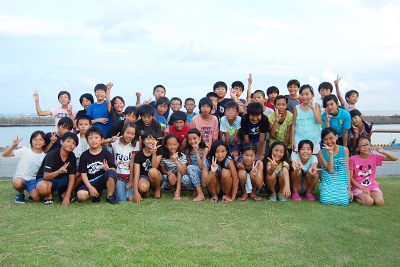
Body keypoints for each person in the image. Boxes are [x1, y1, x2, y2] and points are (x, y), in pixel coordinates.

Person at [350, 136, 398, 206]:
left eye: (367, 144)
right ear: (358, 148)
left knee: (380, 202)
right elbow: (351, 178)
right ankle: (356, 197)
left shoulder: (374, 157)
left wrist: (383, 151)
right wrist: (363, 188)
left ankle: (368, 196)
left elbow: (395, 158)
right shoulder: (353, 159)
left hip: (372, 186)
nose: (365, 147)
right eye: (362, 146)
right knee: (369, 202)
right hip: (358, 187)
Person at [76, 127, 119, 204]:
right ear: (87, 141)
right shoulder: (84, 155)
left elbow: (113, 169)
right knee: (81, 195)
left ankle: (110, 196)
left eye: (96, 137)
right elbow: (83, 173)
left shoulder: (106, 153)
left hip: (103, 180)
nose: (93, 140)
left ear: (102, 140)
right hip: (91, 181)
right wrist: (90, 187)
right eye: (90, 138)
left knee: (111, 172)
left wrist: (108, 169)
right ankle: (96, 193)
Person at [2, 131, 46, 203]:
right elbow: (4, 154)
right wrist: (13, 145)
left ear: (44, 143)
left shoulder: (44, 156)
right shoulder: (25, 150)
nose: (37, 142)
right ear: (31, 141)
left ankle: (31, 193)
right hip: (21, 177)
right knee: (17, 183)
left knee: (37, 198)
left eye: (40, 139)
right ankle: (20, 193)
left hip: (33, 180)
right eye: (35, 139)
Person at [36, 132, 78, 205]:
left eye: (73, 143)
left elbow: (72, 177)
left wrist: (67, 197)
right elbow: (46, 176)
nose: (71, 144)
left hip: (61, 179)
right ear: (61, 142)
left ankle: (64, 194)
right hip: (47, 180)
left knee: (79, 174)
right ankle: (48, 195)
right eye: (68, 141)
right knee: (42, 187)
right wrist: (59, 171)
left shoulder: (72, 156)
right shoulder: (52, 154)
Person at [318, 127, 352, 206]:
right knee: (325, 199)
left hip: (341, 182)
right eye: (326, 139)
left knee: (344, 201)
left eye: (331, 138)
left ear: (336, 137)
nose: (329, 142)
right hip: (328, 181)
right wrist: (331, 154)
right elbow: (330, 170)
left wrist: (349, 189)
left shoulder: (344, 150)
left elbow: (347, 170)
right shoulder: (321, 152)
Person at [132, 130, 163, 202]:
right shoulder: (139, 154)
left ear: (156, 141)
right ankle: (147, 191)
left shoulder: (159, 150)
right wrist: (136, 192)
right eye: (148, 139)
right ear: (143, 141)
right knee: (142, 187)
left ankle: (157, 189)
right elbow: (136, 174)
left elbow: (154, 167)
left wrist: (154, 153)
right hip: (144, 176)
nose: (150, 141)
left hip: (156, 176)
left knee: (152, 171)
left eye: (153, 139)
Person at [112, 122, 139, 202]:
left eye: (132, 134)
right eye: (127, 133)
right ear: (123, 132)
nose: (129, 136)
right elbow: (101, 142)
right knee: (122, 199)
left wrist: (131, 181)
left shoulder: (135, 144)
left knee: (131, 198)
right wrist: (111, 139)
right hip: (118, 175)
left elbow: (132, 162)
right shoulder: (116, 142)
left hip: (130, 175)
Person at [291, 84, 321, 154]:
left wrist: (313, 108)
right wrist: (292, 140)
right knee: (297, 161)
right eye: (301, 94)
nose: (304, 97)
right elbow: (293, 125)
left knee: (314, 161)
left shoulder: (316, 105)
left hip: (314, 140)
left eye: (307, 94)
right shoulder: (297, 108)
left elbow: (319, 121)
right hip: (299, 140)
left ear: (312, 95)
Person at [160, 134, 189, 201]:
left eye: (174, 144)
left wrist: (176, 160)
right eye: (170, 144)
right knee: (172, 179)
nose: (172, 147)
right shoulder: (164, 157)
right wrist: (169, 173)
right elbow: (163, 169)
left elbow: (183, 172)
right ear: (166, 146)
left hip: (181, 177)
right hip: (171, 177)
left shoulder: (182, 156)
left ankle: (177, 192)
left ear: (178, 144)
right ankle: (175, 188)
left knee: (179, 168)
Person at [183, 128, 209, 202]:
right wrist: (188, 170)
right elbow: (190, 164)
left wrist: (197, 152)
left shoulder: (205, 149)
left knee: (190, 168)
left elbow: (201, 166)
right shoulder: (188, 151)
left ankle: (201, 194)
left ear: (200, 138)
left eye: (195, 138)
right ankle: (196, 190)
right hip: (193, 172)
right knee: (184, 179)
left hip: (203, 173)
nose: (192, 141)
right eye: (190, 139)